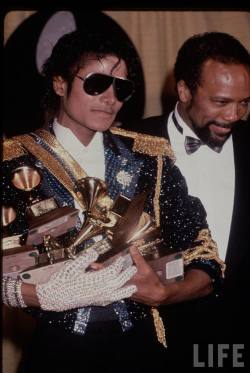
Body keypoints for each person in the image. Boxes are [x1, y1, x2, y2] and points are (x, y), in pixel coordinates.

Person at [2, 30, 224, 373]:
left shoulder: (150, 158)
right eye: (96, 84)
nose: (110, 98)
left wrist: (165, 292)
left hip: (139, 348)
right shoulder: (12, 162)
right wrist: (38, 296)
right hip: (57, 352)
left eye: (121, 88)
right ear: (60, 84)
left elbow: (204, 255)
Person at [124, 31, 250, 367]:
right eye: (221, 102)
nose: (234, 115)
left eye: (244, 102)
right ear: (184, 90)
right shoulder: (130, 144)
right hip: (153, 336)